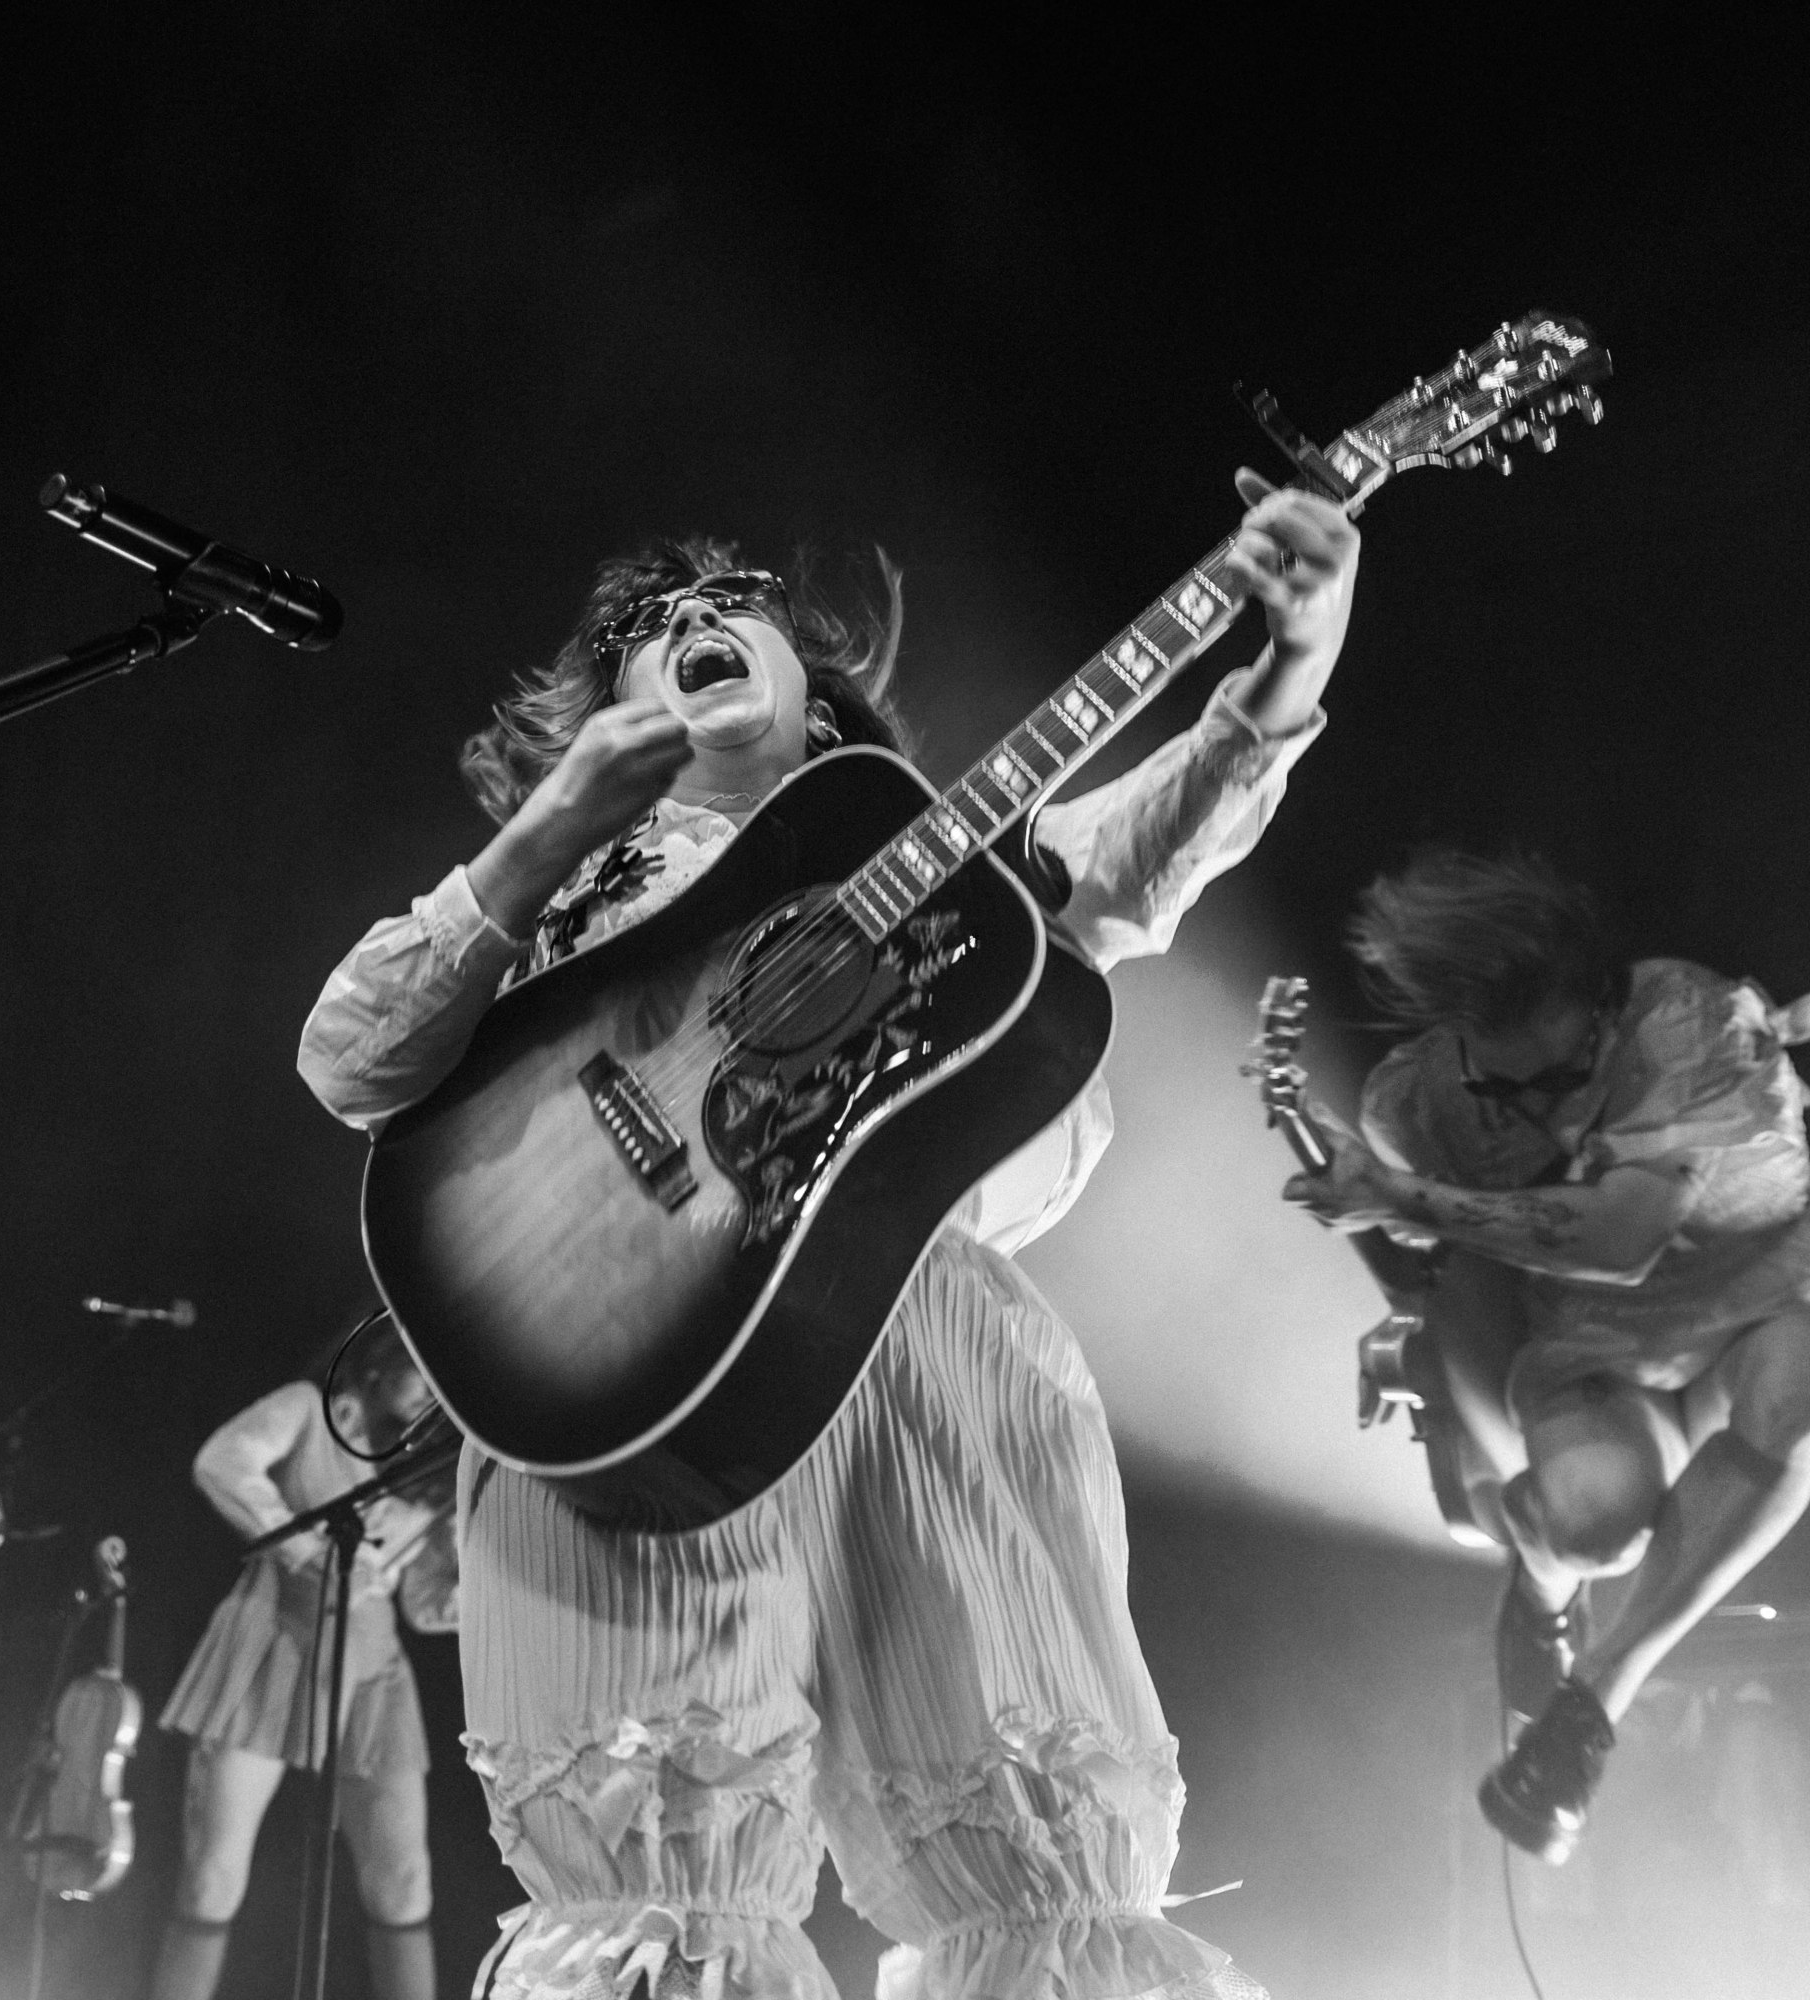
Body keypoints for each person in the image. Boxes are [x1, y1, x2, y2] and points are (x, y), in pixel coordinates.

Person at [298, 471, 1358, 2000]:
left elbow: (1137, 855)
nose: (698, 618)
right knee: (655, 1866)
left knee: (1039, 1848)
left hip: (924, 1359)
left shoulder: (955, 871)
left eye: (739, 607)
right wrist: (545, 835)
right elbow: (352, 1060)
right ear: (609, 718)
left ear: (818, 700)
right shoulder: (571, 886)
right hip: (618, 1356)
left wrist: (1287, 668)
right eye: (651, 625)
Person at [1286, 850, 1810, 1863]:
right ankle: (1538, 1583)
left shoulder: (1682, 1020)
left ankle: (1593, 1702)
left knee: (1800, 1391)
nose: (1543, 1102)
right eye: (1507, 1080)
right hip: (1599, 1344)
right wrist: (1411, 1332)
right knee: (1594, 1527)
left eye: (1567, 1072)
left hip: (1764, 1295)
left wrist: (1394, 1197)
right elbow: (1451, 1264)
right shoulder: (1418, 1102)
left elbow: (1620, 1236)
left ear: (1600, 1005)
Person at [149, 1317, 458, 2000]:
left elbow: (424, 1604)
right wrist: (305, 1547)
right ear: (380, 1361)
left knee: (405, 1882)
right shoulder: (307, 1409)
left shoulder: (427, 1466)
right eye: (420, 1372)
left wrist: (473, 1578)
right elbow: (221, 1461)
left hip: (373, 1663)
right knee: (212, 1876)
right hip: (272, 1639)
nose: (431, 1393)